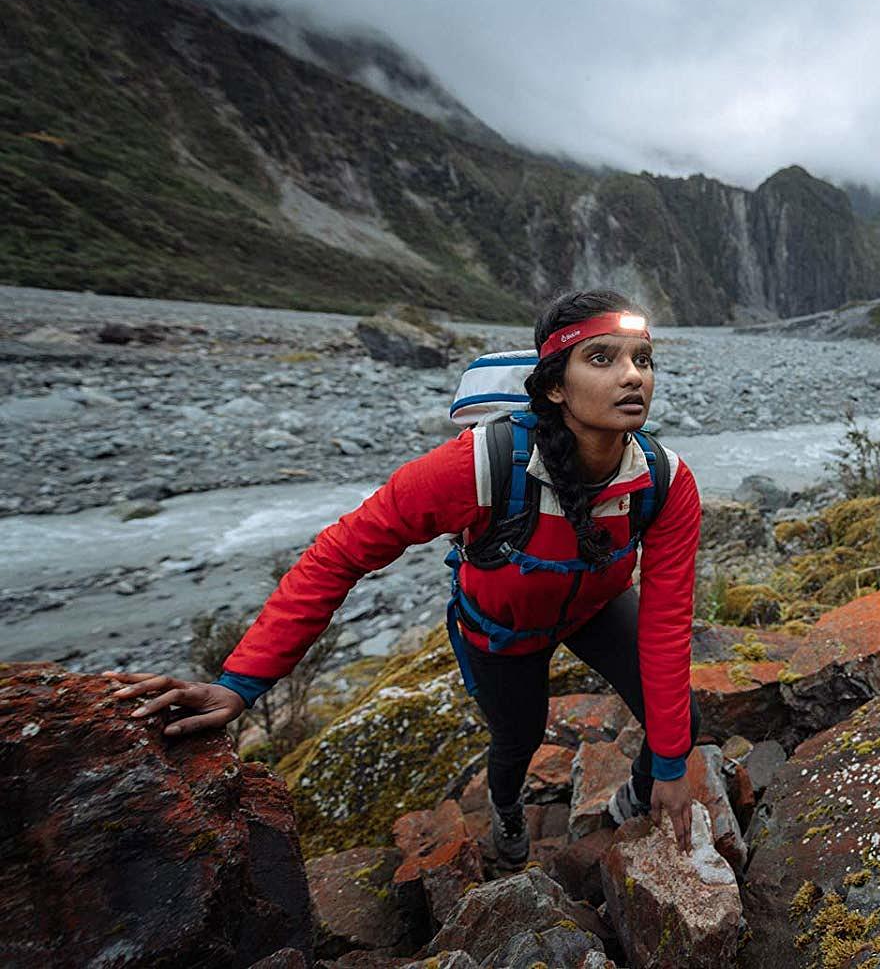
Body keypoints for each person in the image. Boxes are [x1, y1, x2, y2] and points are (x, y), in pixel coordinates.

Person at [104, 288, 703, 865]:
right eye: (602, 358)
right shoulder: (474, 465)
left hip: (594, 608)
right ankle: (506, 811)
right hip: (500, 630)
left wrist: (672, 768)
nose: (633, 376)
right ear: (553, 387)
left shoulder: (664, 480)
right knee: (518, 738)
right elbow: (339, 555)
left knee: (681, 722)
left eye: (642, 359)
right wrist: (241, 682)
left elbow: (668, 621)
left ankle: (633, 803)